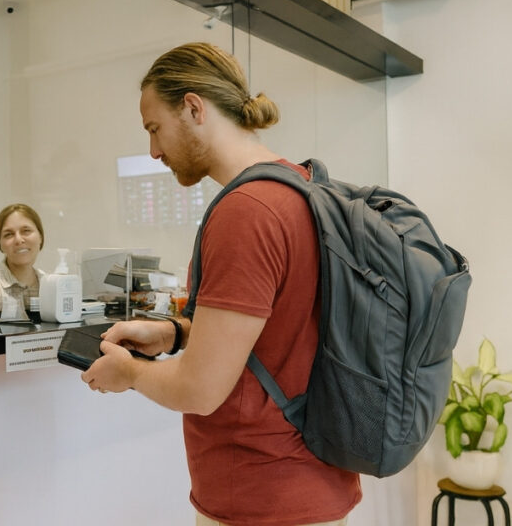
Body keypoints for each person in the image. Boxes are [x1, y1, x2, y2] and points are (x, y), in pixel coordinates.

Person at [81, 43, 360, 526]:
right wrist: (175, 333)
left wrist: (129, 374)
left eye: (154, 128)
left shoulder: (246, 212)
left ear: (193, 108)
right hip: (313, 480)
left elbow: (201, 388)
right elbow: (277, 330)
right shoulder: (302, 186)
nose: (153, 151)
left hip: (262, 495)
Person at [0, 203, 46, 320]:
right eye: (9, 234)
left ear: (40, 237)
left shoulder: (49, 283)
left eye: (26, 231)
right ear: (0, 244)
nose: (18, 240)